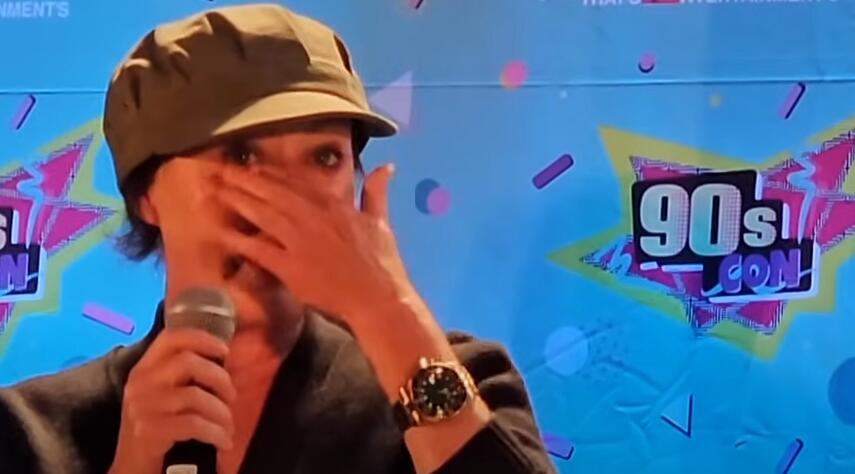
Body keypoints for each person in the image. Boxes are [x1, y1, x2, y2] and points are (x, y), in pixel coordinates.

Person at [0, 4, 555, 474]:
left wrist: (386, 312)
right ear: (147, 194)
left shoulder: (465, 381)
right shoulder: (36, 429)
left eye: (325, 157)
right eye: (242, 155)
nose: (291, 198)